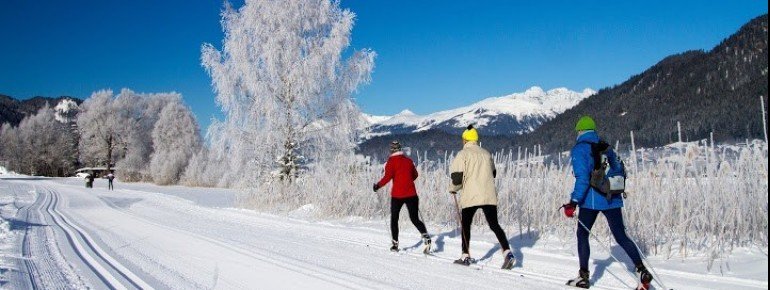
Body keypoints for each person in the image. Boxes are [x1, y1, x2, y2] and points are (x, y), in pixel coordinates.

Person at [563, 116, 653, 289]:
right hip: (612, 197)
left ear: (580, 131)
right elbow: (619, 169)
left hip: (591, 200)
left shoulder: (580, 149)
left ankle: (583, 277)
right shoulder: (606, 146)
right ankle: (641, 270)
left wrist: (573, 202)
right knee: (621, 236)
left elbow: (582, 178)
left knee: (583, 234)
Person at [449, 125, 516, 269]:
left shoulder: (463, 154)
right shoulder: (486, 153)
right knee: (494, 225)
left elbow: (457, 178)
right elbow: (493, 174)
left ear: (465, 139)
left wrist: (453, 189)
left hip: (471, 196)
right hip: (488, 194)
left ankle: (465, 255)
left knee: (466, 225)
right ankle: (507, 252)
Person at [373, 141, 431, 253]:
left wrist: (377, 186)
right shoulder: (408, 161)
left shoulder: (391, 162)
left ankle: (395, 244)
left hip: (397, 196)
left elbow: (387, 178)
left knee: (394, 219)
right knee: (415, 219)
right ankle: (426, 238)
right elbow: (415, 175)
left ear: (392, 151)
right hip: (412, 195)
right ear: (400, 150)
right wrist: (407, 181)